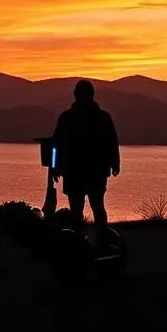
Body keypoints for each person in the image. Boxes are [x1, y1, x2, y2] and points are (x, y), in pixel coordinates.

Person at [51, 79, 120, 246]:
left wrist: (55, 166)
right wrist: (115, 163)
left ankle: (82, 244)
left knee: (83, 209)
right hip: (90, 171)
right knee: (91, 209)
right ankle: (93, 243)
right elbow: (112, 142)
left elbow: (56, 145)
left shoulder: (67, 118)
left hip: (79, 171)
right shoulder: (102, 117)